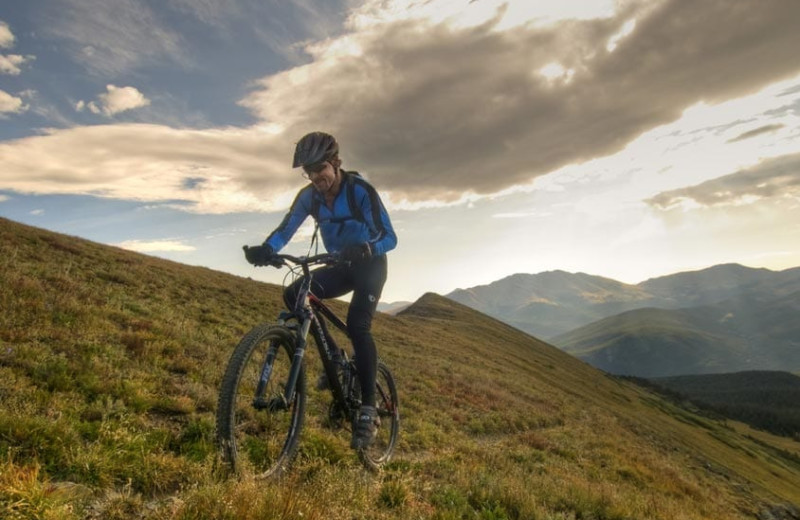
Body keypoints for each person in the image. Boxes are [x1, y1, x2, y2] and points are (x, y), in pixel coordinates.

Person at [244, 131, 397, 449]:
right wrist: (267, 249)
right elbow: (287, 228)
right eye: (309, 171)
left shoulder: (360, 192)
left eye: (320, 168)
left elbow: (390, 236)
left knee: (358, 325)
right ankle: (335, 359)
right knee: (295, 294)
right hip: (339, 265)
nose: (315, 177)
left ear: (336, 163)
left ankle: (368, 407)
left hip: (370, 265)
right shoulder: (308, 197)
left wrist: (367, 248)